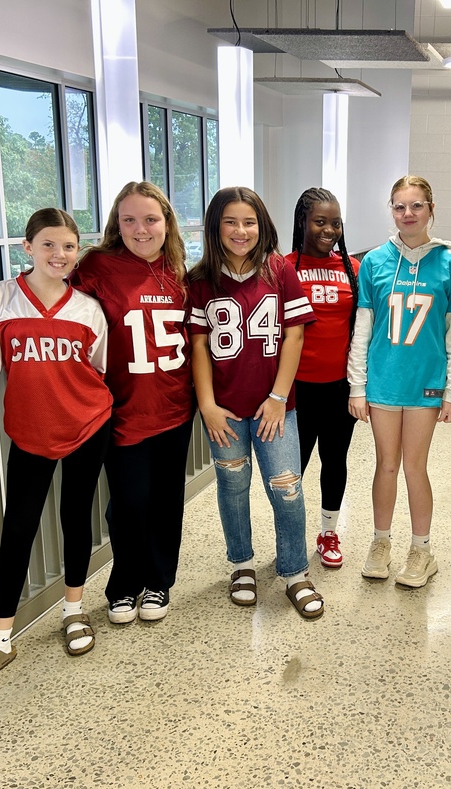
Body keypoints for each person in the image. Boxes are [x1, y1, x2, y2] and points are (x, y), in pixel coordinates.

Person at [0, 209, 113, 691]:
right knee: (18, 528)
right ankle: (0, 639)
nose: (58, 255)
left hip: (87, 424)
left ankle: (73, 610)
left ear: (78, 252)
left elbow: (96, 370)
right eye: (47, 244)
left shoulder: (88, 308)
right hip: (29, 432)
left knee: (76, 517)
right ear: (27, 247)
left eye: (68, 246)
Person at [188, 186, 324, 620]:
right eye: (230, 221)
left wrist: (279, 397)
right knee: (232, 488)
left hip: (275, 407)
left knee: (287, 488)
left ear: (262, 226)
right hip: (224, 411)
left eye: (249, 222)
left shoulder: (279, 270)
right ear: (215, 227)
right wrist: (207, 405)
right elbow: (199, 345)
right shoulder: (200, 279)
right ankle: (241, 564)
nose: (240, 230)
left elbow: (295, 336)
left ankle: (294, 570)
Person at [72, 182, 195, 625]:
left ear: (167, 222)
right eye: (129, 220)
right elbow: (50, 300)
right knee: (128, 501)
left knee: (166, 500)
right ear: (116, 224)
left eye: (150, 219)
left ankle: (159, 581)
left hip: (176, 405)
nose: (140, 229)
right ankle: (124, 584)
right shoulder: (98, 265)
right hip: (123, 408)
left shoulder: (180, 270)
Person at [347, 175, 451, 588]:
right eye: (399, 206)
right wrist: (357, 386)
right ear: (392, 210)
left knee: (415, 467)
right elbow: (363, 330)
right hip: (384, 382)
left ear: (431, 209)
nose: (408, 214)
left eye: (416, 205)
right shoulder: (374, 262)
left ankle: (422, 550)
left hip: (426, 385)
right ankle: (380, 542)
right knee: (386, 465)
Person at [285, 188, 361, 569]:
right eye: (320, 221)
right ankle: (290, 535)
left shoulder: (352, 268)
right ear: (302, 222)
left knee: (335, 461)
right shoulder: (282, 267)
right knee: (291, 469)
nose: (329, 230)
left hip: (339, 388)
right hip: (295, 390)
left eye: (335, 223)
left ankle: (329, 532)